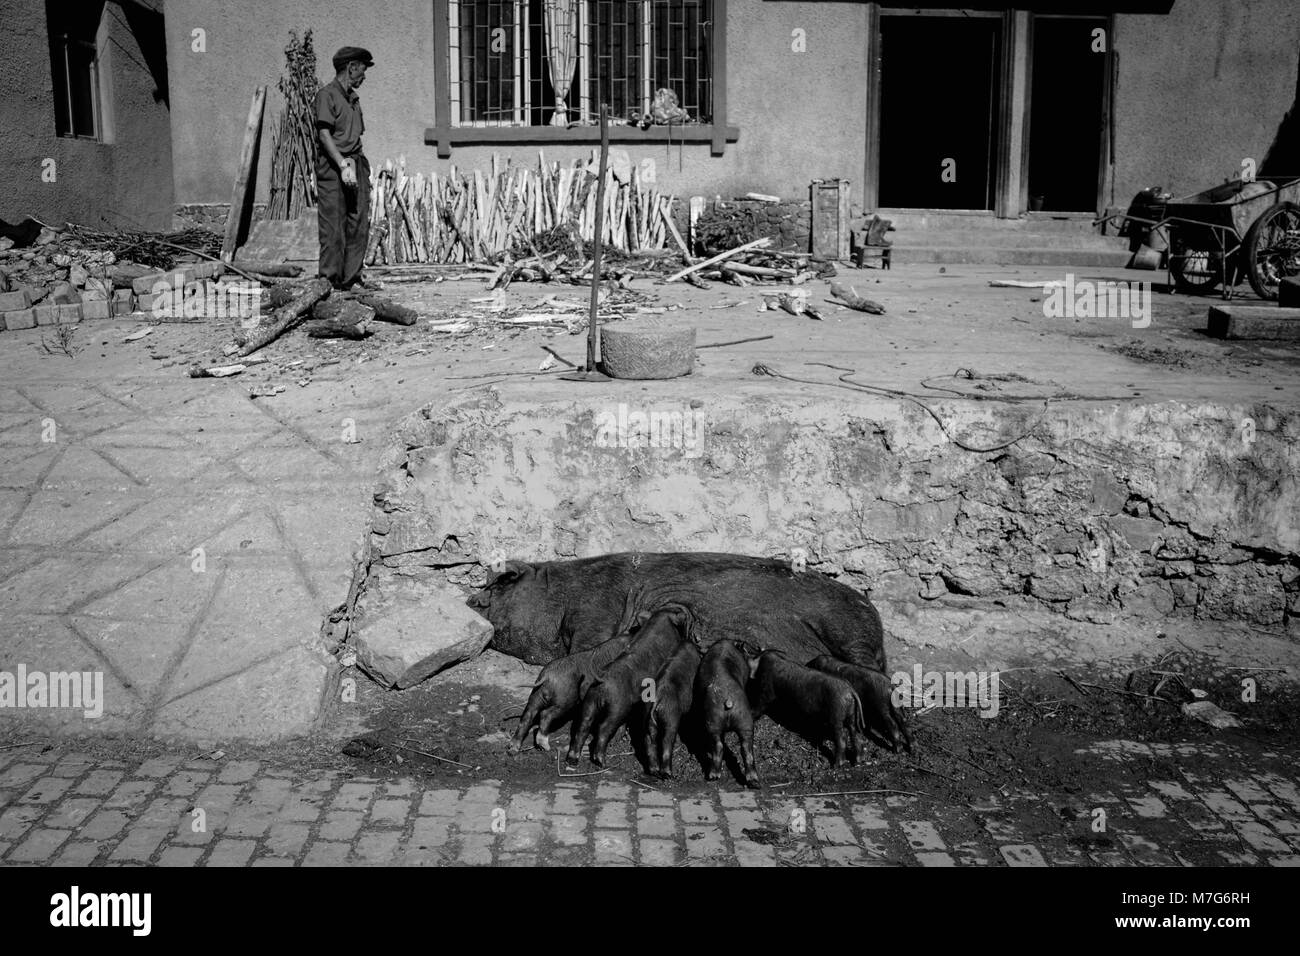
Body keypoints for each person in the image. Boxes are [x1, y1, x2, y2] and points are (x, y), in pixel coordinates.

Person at [315, 46, 380, 291]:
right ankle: (328, 283)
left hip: (355, 161)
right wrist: (343, 165)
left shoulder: (353, 99)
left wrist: (357, 167)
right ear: (351, 67)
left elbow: (356, 135)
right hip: (333, 166)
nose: (364, 76)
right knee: (333, 226)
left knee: (358, 222)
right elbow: (324, 134)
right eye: (362, 70)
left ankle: (350, 279)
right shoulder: (327, 95)